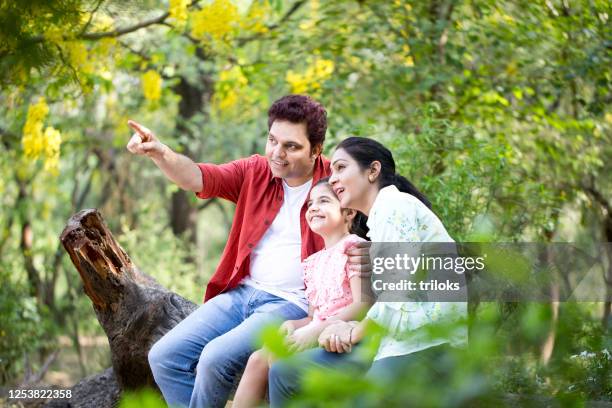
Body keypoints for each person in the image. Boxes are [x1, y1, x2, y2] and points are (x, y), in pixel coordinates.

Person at [125, 95, 371, 408]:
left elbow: (376, 203)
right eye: (272, 141)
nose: (277, 154)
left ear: (316, 150)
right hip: (241, 293)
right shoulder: (255, 171)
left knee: (215, 359)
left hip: (291, 304)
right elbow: (197, 176)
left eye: (291, 146)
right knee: (164, 356)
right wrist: (160, 153)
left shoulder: (332, 182)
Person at [268, 137, 467, 406]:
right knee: (285, 372)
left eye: (340, 168)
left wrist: (352, 332)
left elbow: (398, 295)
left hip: (425, 343)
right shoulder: (380, 220)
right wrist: (345, 327)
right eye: (332, 172)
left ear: (372, 171)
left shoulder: (394, 207)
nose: (334, 179)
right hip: (394, 339)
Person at [232, 178, 372, 407]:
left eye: (324, 201)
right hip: (313, 332)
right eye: (310, 203)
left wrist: (314, 331)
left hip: (340, 335)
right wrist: (293, 326)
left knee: (280, 358)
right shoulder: (313, 262)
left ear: (348, 213)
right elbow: (312, 315)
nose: (313, 207)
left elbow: (361, 304)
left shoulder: (354, 247)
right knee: (258, 358)